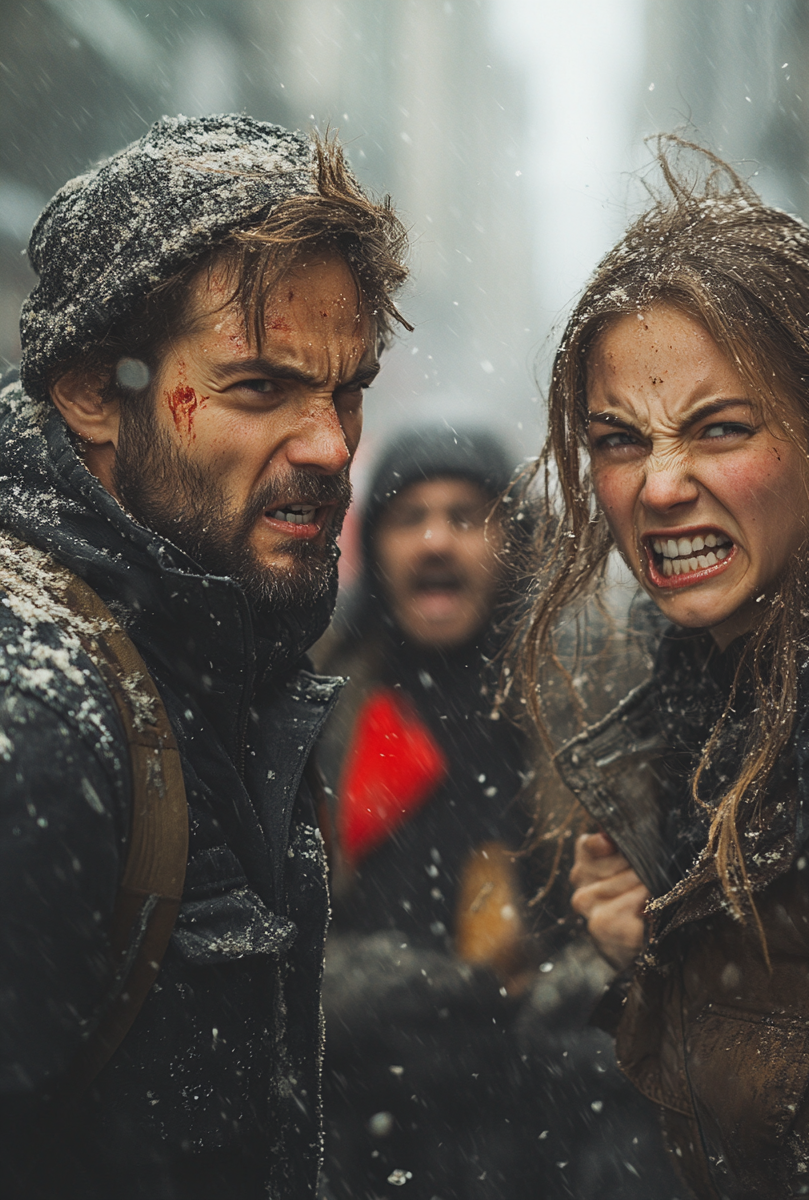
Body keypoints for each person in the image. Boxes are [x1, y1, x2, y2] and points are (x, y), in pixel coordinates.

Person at [515, 139, 809, 1199]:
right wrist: (661, 960)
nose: (658, 486)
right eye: (618, 439)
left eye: (719, 429)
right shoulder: (711, 712)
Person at [0, 114, 408, 1199]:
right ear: (92, 389)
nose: (330, 445)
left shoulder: (216, 643)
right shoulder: (33, 718)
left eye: (349, 388)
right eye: (261, 388)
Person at [313, 425, 679, 1200]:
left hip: (550, 1129)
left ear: (517, 541)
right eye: (408, 518)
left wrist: (549, 998)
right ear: (372, 547)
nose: (435, 541)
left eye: (466, 516)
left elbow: (643, 918)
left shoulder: (588, 702)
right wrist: (379, 987)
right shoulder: (319, 709)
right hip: (368, 1122)